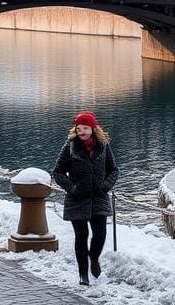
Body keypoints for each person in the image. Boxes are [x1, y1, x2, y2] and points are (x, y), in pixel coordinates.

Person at [51, 111, 119, 287]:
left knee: (100, 234)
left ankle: (94, 257)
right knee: (81, 237)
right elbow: (58, 172)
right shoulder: (70, 147)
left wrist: (105, 186)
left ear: (93, 128)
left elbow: (113, 170)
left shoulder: (103, 146)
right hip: (77, 199)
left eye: (85, 128)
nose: (81, 131)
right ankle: (83, 273)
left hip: (99, 197)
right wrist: (72, 188)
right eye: (78, 128)